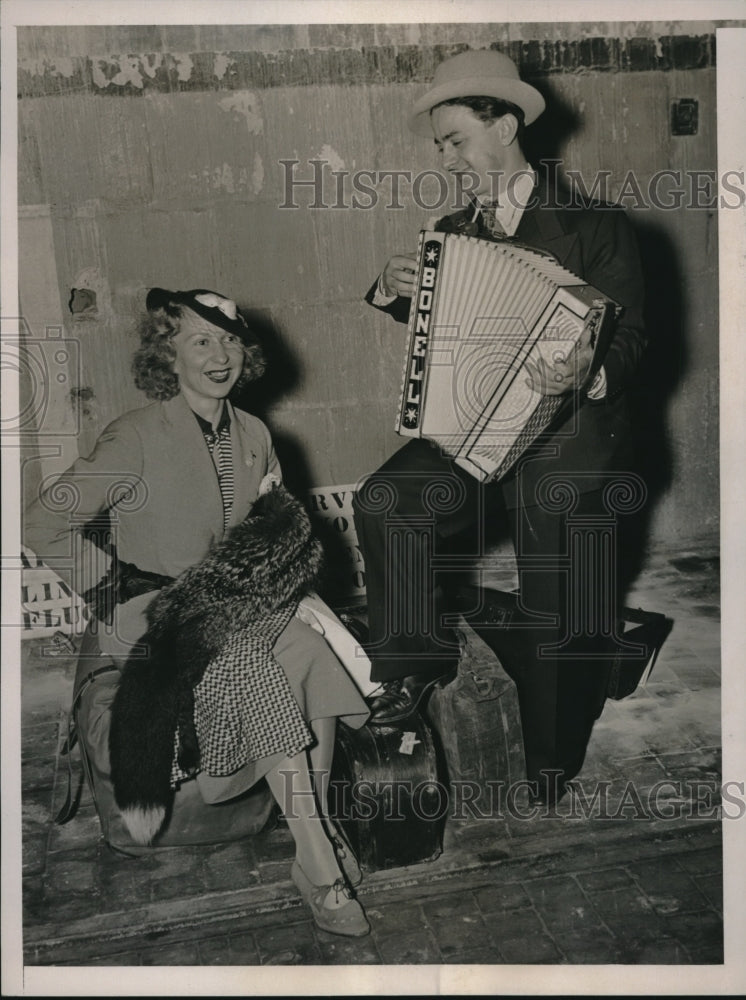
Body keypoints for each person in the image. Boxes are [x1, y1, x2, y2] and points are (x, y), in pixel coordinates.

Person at [24, 287, 371, 937]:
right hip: (155, 617)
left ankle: (312, 833)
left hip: (231, 604)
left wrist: (279, 559)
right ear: (168, 352)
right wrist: (109, 586)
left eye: (231, 341)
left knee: (312, 651)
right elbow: (41, 520)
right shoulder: (134, 435)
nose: (220, 355)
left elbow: (276, 529)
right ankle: (322, 871)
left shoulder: (254, 433)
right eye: (200, 341)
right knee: (250, 662)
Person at [353, 50, 647, 803]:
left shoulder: (596, 226)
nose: (448, 160)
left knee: (556, 599)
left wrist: (589, 371)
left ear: (507, 125)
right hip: (477, 433)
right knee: (390, 503)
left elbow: (637, 342)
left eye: (456, 141)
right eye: (440, 148)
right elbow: (442, 331)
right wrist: (393, 291)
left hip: (566, 439)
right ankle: (411, 678)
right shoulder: (452, 231)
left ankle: (550, 766)